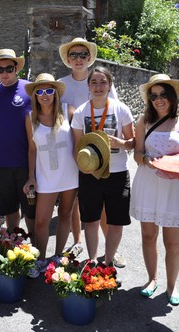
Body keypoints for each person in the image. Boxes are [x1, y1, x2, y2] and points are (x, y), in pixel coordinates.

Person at [58, 37, 125, 267]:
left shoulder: (104, 84)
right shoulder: (61, 84)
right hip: (73, 149)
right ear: (68, 59)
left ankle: (110, 251)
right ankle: (78, 241)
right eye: (74, 55)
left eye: (82, 55)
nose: (78, 59)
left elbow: (114, 113)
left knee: (102, 205)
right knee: (78, 203)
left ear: (89, 58)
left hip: (102, 154)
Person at [130, 73, 179, 306]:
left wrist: (174, 162)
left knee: (173, 242)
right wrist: (149, 161)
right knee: (148, 235)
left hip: (174, 187)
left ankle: (172, 285)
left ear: (172, 96)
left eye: (163, 95)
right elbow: (137, 155)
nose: (158, 99)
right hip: (149, 182)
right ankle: (151, 279)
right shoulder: (143, 121)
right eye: (154, 95)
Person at [71, 67, 135, 275]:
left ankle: (107, 262)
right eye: (94, 82)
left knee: (116, 220)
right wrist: (83, 166)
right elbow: (76, 146)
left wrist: (121, 143)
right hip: (90, 174)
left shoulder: (121, 109)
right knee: (90, 219)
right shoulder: (81, 112)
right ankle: (91, 260)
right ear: (88, 86)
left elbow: (133, 142)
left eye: (102, 82)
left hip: (117, 172)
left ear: (110, 85)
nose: (98, 87)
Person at [22, 73, 78, 278]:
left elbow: (79, 141)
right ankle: (41, 259)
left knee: (65, 215)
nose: (45, 95)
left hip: (69, 174)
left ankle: (57, 256)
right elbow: (32, 149)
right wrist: (31, 176)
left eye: (49, 90)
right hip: (45, 177)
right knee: (41, 222)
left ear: (56, 93)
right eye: (40, 91)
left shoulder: (68, 111)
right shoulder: (30, 119)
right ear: (35, 95)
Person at [0, 49, 35, 235]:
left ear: (17, 68)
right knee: (10, 209)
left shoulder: (29, 88)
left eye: (9, 68)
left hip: (25, 161)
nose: (4, 73)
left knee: (30, 209)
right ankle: (16, 248)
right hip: (1, 161)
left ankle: (35, 248)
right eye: (0, 69)